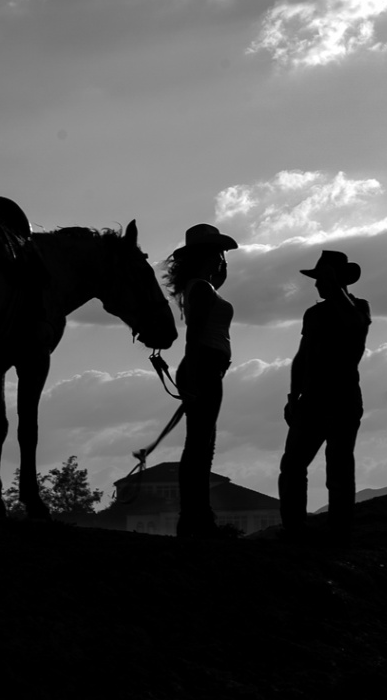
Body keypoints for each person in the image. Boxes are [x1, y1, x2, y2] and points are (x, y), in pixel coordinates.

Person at [278, 251, 371, 542]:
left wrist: (337, 289)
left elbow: (356, 325)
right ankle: (294, 529)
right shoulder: (314, 314)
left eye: (323, 279)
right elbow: (302, 356)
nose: (317, 285)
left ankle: (340, 531)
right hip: (314, 399)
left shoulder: (359, 307)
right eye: (318, 279)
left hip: (343, 397)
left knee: (339, 467)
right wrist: (294, 395)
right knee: (293, 465)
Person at [163, 224, 238, 538]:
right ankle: (197, 519)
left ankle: (196, 518)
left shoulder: (201, 286)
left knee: (200, 444)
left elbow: (217, 280)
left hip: (205, 366)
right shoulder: (203, 290)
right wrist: (193, 375)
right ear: (207, 255)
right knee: (200, 446)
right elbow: (194, 336)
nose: (222, 258)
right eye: (218, 252)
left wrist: (220, 267)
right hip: (203, 366)